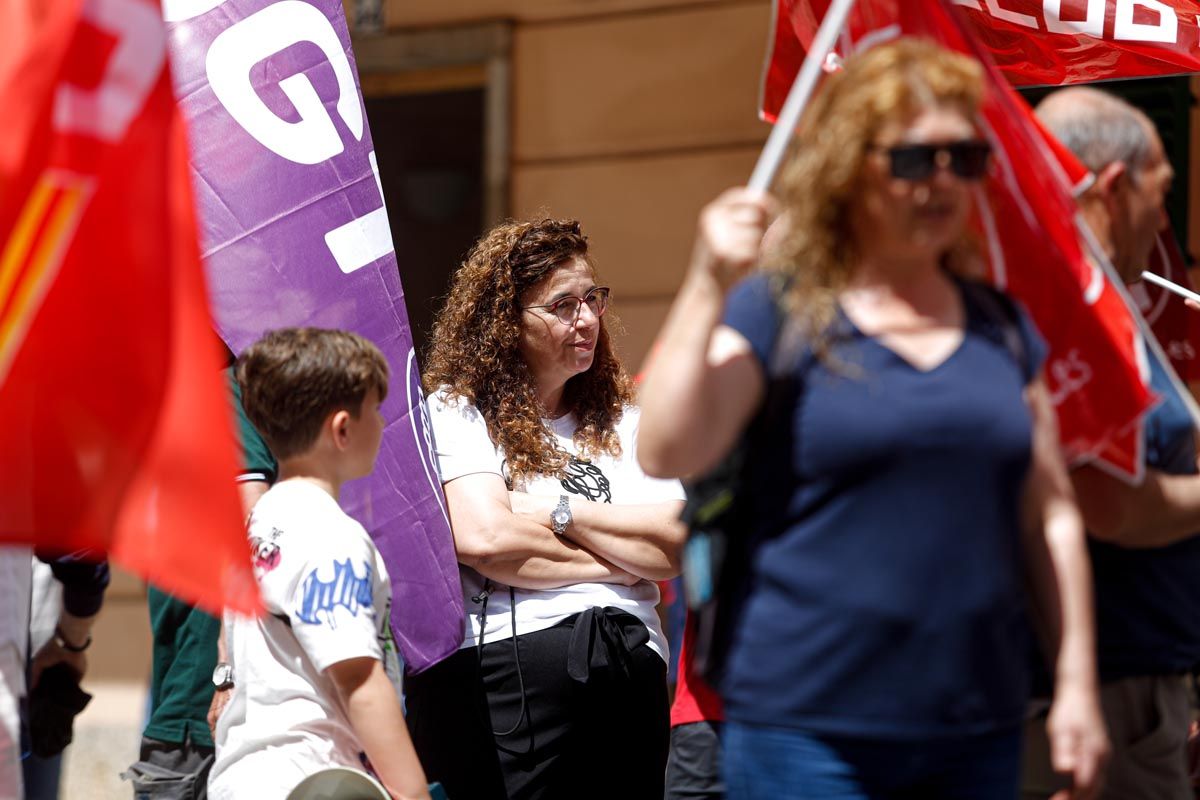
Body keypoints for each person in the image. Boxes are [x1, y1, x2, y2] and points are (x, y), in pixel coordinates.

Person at [637, 39, 1108, 799]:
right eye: (918, 160)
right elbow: (665, 448)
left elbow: (1048, 515)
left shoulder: (1002, 329)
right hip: (807, 730)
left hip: (975, 725)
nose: (945, 181)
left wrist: (1078, 684)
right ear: (852, 169)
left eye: (967, 157)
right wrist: (706, 281)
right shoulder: (779, 311)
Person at [406, 218, 687, 799]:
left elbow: (673, 545)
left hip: (628, 668)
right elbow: (487, 541)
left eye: (592, 298)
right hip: (509, 680)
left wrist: (558, 512)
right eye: (562, 305)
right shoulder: (460, 411)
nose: (585, 319)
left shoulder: (623, 421)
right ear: (506, 323)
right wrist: (623, 563)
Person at [1021, 86, 1199, 800]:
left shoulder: (1090, 300)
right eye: (1162, 194)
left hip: (1126, 674)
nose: (1163, 220)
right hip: (1108, 684)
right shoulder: (1070, 307)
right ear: (1116, 186)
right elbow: (1108, 503)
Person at [208, 328, 430, 800]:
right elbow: (358, 678)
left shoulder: (258, 525)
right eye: (375, 408)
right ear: (343, 429)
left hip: (241, 775)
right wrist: (413, 793)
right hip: (310, 777)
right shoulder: (330, 536)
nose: (383, 423)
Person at [125, 357, 278, 800]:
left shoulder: (230, 388)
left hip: (207, 711)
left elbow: (253, 533)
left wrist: (227, 674)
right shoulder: (217, 393)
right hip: (199, 710)